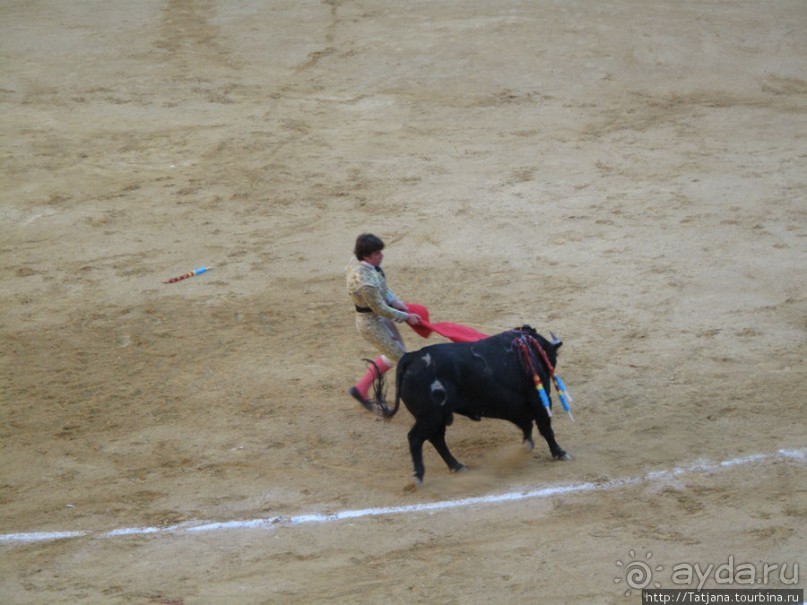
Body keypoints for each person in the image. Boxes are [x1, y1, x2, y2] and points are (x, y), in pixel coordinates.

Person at [346, 233, 421, 411]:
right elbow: (380, 308)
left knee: (396, 355)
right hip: (371, 324)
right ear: (366, 256)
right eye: (377, 254)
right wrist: (406, 316)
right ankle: (420, 399)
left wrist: (395, 301)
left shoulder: (361, 265)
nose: (381, 256)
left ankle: (360, 389)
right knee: (403, 360)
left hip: (379, 319)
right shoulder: (365, 282)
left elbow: (382, 287)